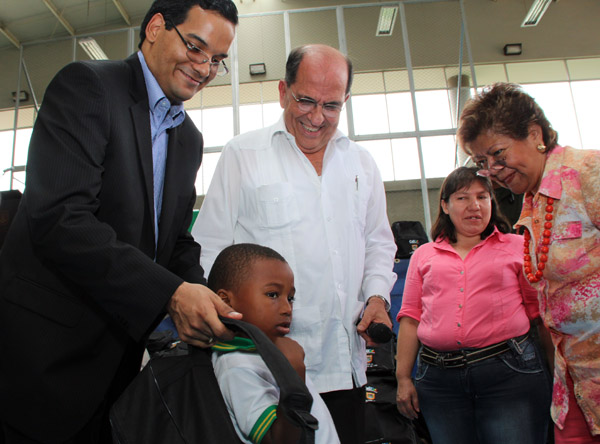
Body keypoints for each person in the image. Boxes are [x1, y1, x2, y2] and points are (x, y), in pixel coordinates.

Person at [0, 1, 240, 442]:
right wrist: (171, 294)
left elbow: (174, 240)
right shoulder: (88, 86)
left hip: (118, 369)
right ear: (155, 28)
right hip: (43, 360)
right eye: (196, 47)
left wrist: (202, 294)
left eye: (218, 60)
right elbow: (61, 219)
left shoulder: (188, 138)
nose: (205, 68)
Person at [193, 44, 397, 443]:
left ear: (345, 102)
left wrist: (376, 298)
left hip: (347, 368)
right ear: (283, 91)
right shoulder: (243, 155)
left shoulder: (361, 164)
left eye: (331, 106)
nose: (317, 117)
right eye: (305, 100)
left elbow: (378, 243)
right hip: (265, 376)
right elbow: (208, 250)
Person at [458, 82, 600, 443]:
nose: (493, 170)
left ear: (535, 135)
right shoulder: (532, 203)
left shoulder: (587, 172)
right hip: (573, 382)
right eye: (481, 162)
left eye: (498, 153)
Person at [395, 166, 551, 444]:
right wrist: (403, 378)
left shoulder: (518, 246)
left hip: (509, 374)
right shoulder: (424, 254)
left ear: (492, 202)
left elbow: (539, 316)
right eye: (462, 198)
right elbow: (410, 318)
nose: (474, 206)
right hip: (438, 382)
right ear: (445, 205)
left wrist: (556, 372)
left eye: (482, 197)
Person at [208, 243, 340, 444]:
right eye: (272, 295)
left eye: (290, 298)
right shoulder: (236, 366)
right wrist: (294, 376)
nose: (287, 308)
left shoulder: (265, 352)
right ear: (226, 302)